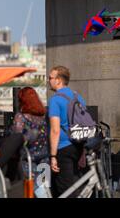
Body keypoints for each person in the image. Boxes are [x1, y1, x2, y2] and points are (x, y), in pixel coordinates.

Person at [48, 65, 86, 197]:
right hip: (78, 144)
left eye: (50, 78)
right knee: (74, 183)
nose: (49, 80)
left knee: (64, 189)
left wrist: (53, 156)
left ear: (58, 80)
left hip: (63, 147)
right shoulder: (77, 97)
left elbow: (55, 130)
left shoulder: (55, 100)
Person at [12, 87, 50, 197]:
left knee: (31, 190)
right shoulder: (42, 116)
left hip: (28, 159)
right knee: (44, 188)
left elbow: (17, 138)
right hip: (44, 158)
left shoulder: (21, 117)